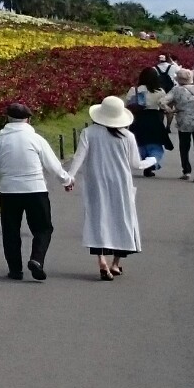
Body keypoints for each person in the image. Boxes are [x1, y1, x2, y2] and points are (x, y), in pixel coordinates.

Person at [64, 94, 152, 279]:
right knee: (122, 219)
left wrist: (70, 177)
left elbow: (79, 157)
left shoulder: (89, 133)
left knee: (98, 218)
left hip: (96, 183)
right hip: (121, 183)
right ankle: (115, 264)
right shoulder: (127, 136)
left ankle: (102, 261)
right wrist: (151, 160)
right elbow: (136, 164)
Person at [0, 102, 72, 281]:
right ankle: (36, 259)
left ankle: (15, 270)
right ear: (28, 120)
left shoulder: (0, 139)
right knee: (43, 228)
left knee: (11, 231)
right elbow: (53, 165)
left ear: (8, 119)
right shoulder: (36, 139)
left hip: (9, 191)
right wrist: (66, 180)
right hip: (35, 189)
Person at [126, 68, 172, 176]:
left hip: (138, 119)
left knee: (140, 143)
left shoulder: (134, 90)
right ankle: (151, 162)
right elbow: (163, 105)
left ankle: (143, 161)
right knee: (155, 145)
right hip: (154, 119)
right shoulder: (160, 91)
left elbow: (127, 104)